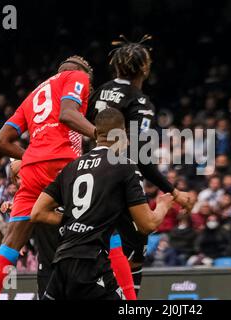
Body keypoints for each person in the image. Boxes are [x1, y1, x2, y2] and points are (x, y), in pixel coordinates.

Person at [0, 55, 95, 300]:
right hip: (62, 166)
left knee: (11, 243)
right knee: (104, 219)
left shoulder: (34, 94)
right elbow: (67, 114)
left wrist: (30, 156)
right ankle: (129, 298)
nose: (88, 91)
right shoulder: (77, 76)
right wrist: (103, 135)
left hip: (33, 171)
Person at [87, 35, 193, 298]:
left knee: (101, 251)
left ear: (116, 65)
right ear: (144, 68)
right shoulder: (140, 102)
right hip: (121, 180)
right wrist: (174, 191)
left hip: (88, 173)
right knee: (134, 253)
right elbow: (139, 156)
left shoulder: (97, 92)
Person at [30, 107, 173, 300]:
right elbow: (147, 224)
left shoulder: (71, 167)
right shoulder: (124, 166)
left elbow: (37, 212)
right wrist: (163, 204)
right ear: (122, 135)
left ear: (96, 133)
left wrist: (73, 221)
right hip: (91, 263)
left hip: (62, 261)